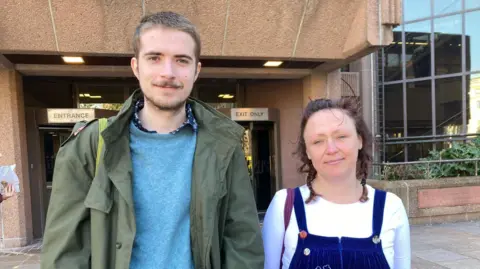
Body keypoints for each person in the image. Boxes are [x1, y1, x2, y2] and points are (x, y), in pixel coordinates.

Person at [41, 11, 264, 269]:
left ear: (196, 70)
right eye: (154, 58)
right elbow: (64, 253)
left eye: (181, 60)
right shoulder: (90, 146)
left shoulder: (223, 146)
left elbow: (242, 243)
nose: (167, 72)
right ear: (136, 66)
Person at [262, 98, 410, 269]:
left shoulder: (391, 207)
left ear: (360, 140)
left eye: (341, 137)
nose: (331, 149)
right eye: (318, 141)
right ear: (308, 151)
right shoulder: (284, 205)